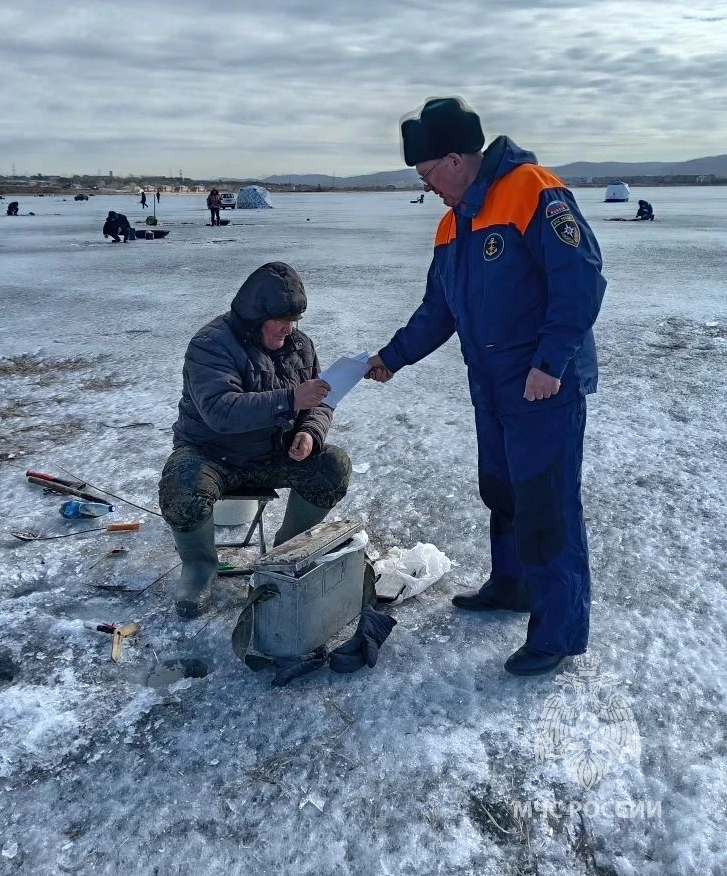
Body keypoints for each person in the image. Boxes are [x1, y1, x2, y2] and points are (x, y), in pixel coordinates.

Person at [366, 97, 607, 676]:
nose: (427, 188)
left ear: (454, 160)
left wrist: (550, 363)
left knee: (546, 504)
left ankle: (557, 634)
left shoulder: (532, 190)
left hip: (542, 385)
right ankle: (512, 584)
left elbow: (580, 279)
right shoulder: (454, 222)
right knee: (502, 490)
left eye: (427, 175)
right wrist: (390, 359)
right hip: (492, 385)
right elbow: (437, 311)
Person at [158, 262, 352, 618]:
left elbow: (321, 401)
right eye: (280, 320)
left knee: (332, 466)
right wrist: (290, 399)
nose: (288, 329)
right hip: (212, 454)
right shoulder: (210, 344)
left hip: (275, 453)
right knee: (181, 481)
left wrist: (310, 431)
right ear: (253, 318)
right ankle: (199, 566)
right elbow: (220, 411)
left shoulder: (301, 346)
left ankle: (287, 555)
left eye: (294, 320)